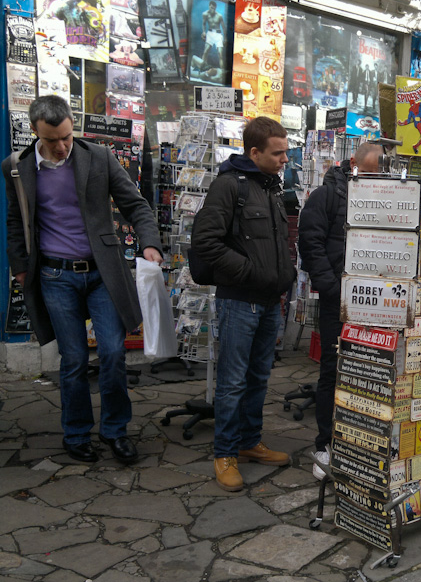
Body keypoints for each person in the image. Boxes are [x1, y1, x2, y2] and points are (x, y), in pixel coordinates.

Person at [3, 95, 163, 464]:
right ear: (34, 132)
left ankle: (115, 431)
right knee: (73, 359)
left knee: (111, 353)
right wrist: (20, 266)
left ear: (72, 125)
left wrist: (150, 243)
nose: (61, 147)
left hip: (102, 271)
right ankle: (75, 433)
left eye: (66, 137)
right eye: (51, 140)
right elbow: (16, 221)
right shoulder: (16, 167)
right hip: (55, 275)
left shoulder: (99, 156)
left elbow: (135, 204)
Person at [191, 117, 296, 491]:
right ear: (254, 153)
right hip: (240, 302)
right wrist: (251, 272)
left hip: (269, 302)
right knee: (233, 381)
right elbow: (206, 241)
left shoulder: (270, 187)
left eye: (286, 151)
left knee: (259, 378)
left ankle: (249, 442)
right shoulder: (227, 186)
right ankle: (225, 453)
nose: (285, 158)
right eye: (278, 152)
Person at [297, 142, 382, 480]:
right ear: (353, 163)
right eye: (370, 170)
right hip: (339, 300)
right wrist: (332, 287)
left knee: (369, 370)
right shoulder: (327, 196)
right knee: (333, 369)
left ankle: (360, 442)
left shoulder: (387, 195)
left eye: (380, 172)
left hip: (375, 301)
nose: (376, 177)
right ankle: (325, 444)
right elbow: (310, 242)